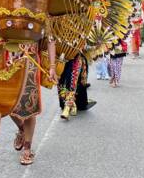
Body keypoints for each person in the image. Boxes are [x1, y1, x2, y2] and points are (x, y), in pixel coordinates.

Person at [9, 37, 56, 165]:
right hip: (9, 62)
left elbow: (51, 39)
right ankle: (22, 129)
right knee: (8, 106)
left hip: (31, 65)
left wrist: (52, 67)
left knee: (30, 106)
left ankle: (27, 148)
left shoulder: (41, 16)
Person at [58, 53, 93, 119]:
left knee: (72, 82)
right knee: (62, 80)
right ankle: (68, 104)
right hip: (62, 58)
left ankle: (68, 106)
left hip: (76, 59)